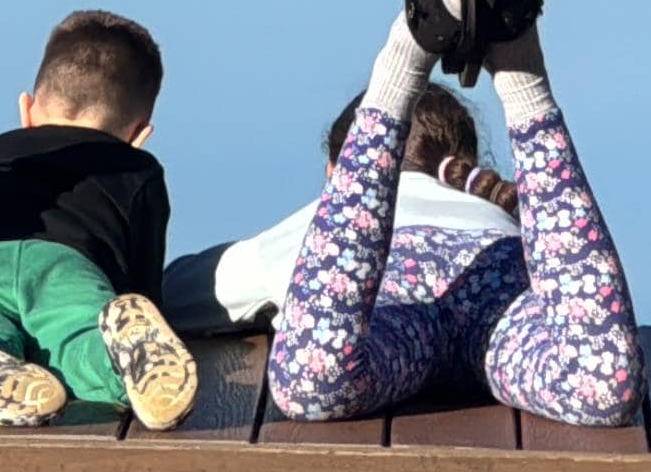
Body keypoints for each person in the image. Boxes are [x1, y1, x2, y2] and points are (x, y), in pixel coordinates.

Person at [261, 0, 643, 428]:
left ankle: (406, 56)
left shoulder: (304, 230)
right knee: (602, 386)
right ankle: (518, 66)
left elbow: (187, 293)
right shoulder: (498, 212)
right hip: (496, 296)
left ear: (337, 177)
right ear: (470, 163)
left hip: (400, 312)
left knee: (311, 385)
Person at [0, 10, 200, 430]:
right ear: (139, 134)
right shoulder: (137, 170)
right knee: (77, 342)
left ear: (27, 109)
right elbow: (141, 273)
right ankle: (125, 360)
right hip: (69, 269)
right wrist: (138, 307)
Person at [159, 86, 513, 333]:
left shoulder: (320, 226)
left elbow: (173, 296)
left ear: (335, 172)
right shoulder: (512, 227)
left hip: (371, 375)